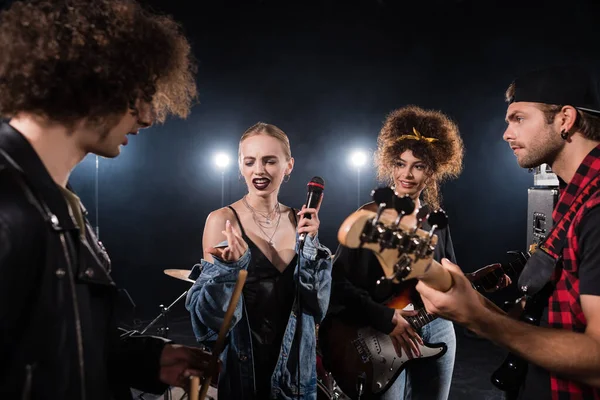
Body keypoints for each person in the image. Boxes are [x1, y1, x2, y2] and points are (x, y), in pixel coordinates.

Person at [0, 1, 211, 399]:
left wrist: (146, 359)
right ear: (94, 79)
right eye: (140, 95)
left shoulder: (61, 203)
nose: (148, 117)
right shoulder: (8, 203)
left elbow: (57, 343)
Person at [415, 65, 600, 399]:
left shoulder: (596, 207)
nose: (506, 133)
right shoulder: (572, 197)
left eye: (518, 118)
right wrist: (478, 307)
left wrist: (479, 319)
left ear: (565, 119)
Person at [323, 105, 464, 400]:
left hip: (436, 327)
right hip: (382, 333)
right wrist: (384, 318)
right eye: (401, 164)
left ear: (432, 170)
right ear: (391, 164)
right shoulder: (368, 218)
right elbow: (335, 283)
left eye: (418, 166)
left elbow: (449, 277)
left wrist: (478, 284)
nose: (407, 174)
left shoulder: (436, 219)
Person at [185, 122, 333, 400]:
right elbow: (210, 323)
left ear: (288, 166)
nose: (259, 170)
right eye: (250, 161)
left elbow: (318, 307)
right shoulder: (223, 221)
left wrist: (312, 244)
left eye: (269, 161)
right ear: (240, 165)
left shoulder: (300, 221)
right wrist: (228, 271)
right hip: (245, 376)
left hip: (297, 378)